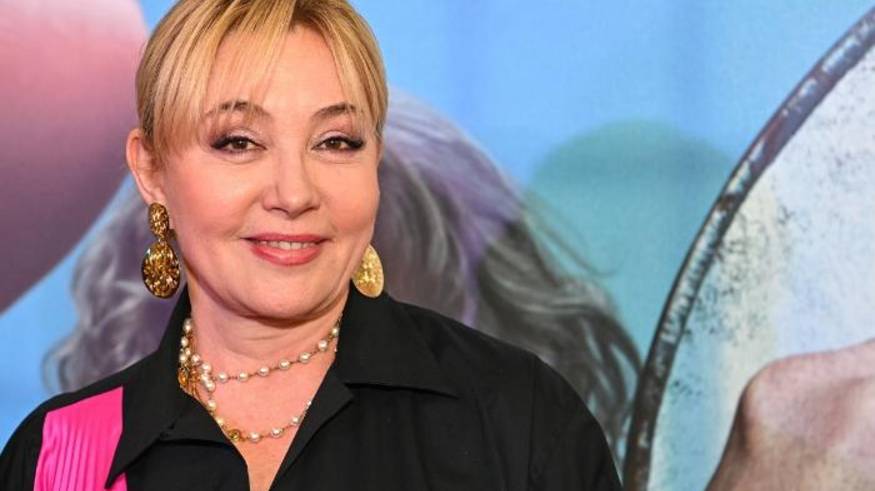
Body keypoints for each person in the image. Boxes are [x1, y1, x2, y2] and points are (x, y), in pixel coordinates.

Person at [0, 1, 621, 489]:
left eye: (336, 142)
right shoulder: (59, 457)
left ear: (376, 162)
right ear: (152, 170)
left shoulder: (516, 419)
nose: (294, 193)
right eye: (239, 142)